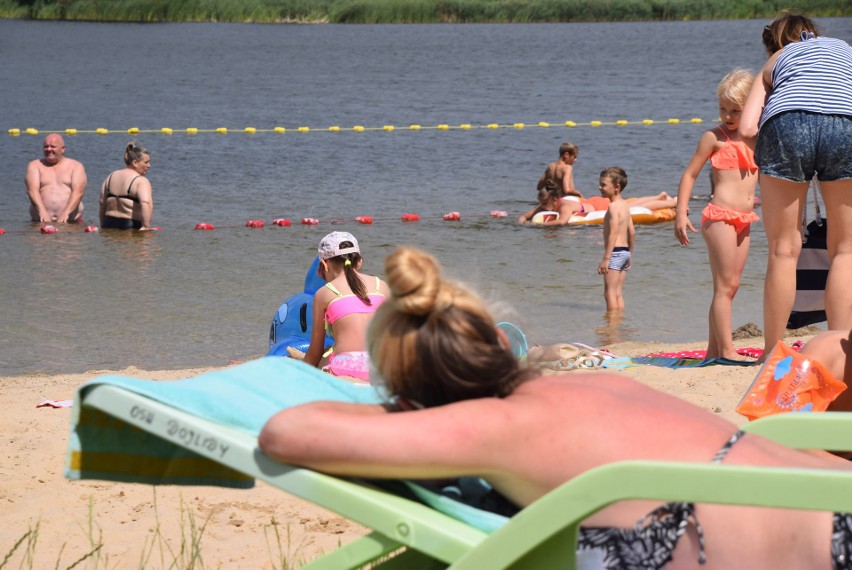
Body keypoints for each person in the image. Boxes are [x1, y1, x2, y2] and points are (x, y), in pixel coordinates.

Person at [260, 245, 852, 570]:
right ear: (498, 341)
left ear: (416, 398)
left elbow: (287, 431)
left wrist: (396, 413)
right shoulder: (595, 386)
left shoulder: (489, 426)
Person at [740, 11, 852, 360]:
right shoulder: (844, 49)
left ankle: (772, 352)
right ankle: (840, 349)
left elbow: (745, 128)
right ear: (813, 33)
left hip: (786, 123)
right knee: (846, 250)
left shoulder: (776, 60)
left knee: (783, 250)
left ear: (774, 42)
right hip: (846, 123)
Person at [675, 69, 760, 360]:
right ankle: (727, 350)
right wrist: (680, 213)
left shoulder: (757, 137)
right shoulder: (713, 137)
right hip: (720, 216)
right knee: (726, 285)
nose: (727, 115)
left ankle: (713, 350)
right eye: (722, 109)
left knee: (730, 285)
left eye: (735, 110)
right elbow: (689, 175)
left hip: (745, 219)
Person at [304, 231, 390, 382]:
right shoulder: (381, 286)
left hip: (348, 367)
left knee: (324, 358)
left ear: (324, 265)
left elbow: (315, 351)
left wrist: (299, 374)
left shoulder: (324, 293)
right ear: (360, 261)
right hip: (382, 364)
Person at [25, 134, 87, 223]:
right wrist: (42, 211)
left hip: (70, 221)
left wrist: (66, 213)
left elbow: (78, 192)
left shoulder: (76, 166)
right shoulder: (35, 165)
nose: (49, 149)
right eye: (46, 146)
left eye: (53, 146)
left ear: (63, 149)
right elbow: (32, 190)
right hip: (40, 220)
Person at [597, 167, 635, 311]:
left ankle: (612, 326)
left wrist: (606, 258)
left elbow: (613, 233)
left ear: (617, 187)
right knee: (618, 292)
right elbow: (632, 233)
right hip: (624, 252)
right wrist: (629, 255)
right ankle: (619, 320)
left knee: (609, 293)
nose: (599, 187)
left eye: (603, 185)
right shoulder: (625, 206)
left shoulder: (613, 207)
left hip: (615, 253)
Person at [99, 142, 154, 230]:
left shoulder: (110, 176)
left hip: (108, 223)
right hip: (130, 225)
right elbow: (146, 203)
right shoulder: (141, 181)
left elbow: (102, 202)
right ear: (135, 163)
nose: (149, 166)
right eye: (146, 162)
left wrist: (102, 224)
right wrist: (145, 227)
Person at [517, 180, 582, 225]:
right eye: (540, 202)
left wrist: (541, 225)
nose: (542, 206)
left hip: (588, 206)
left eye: (545, 203)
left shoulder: (565, 206)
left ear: (555, 199)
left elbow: (562, 221)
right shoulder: (543, 205)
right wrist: (522, 223)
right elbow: (524, 216)